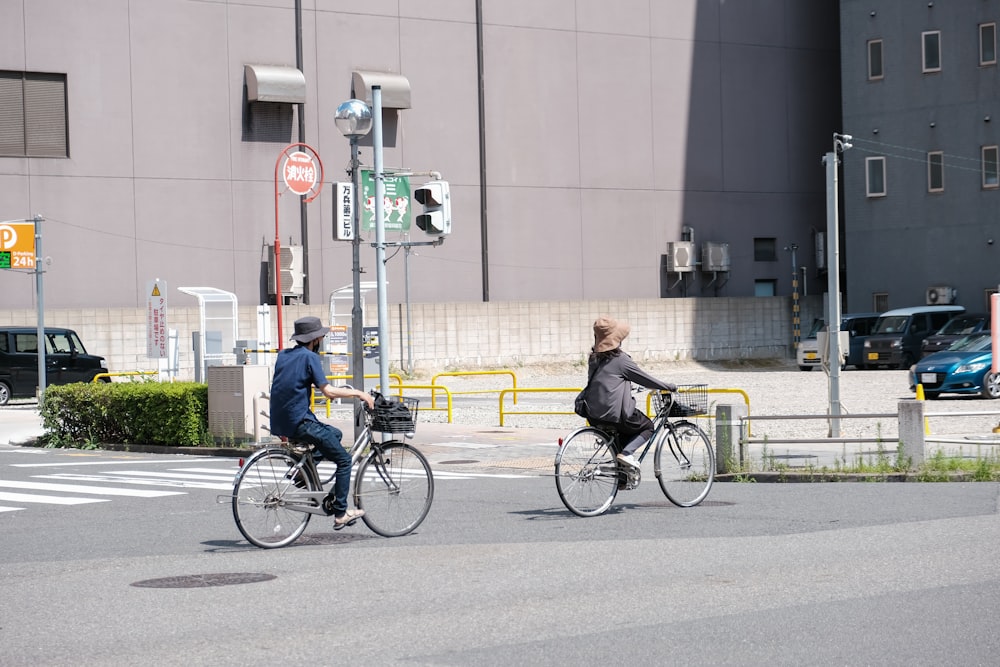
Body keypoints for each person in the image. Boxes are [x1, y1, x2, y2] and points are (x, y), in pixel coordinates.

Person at [269, 316, 375, 528]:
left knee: (334, 434)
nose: (323, 339)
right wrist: (359, 394)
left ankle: (304, 472)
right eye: (322, 337)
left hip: (281, 422)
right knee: (344, 460)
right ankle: (340, 513)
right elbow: (327, 391)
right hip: (301, 422)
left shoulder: (283, 355)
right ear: (315, 339)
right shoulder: (310, 357)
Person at [584, 315, 677, 471]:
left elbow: (606, 383)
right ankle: (627, 453)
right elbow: (644, 378)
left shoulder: (593, 359)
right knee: (647, 426)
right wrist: (667, 386)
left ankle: (621, 475)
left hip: (593, 415)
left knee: (620, 437)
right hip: (615, 415)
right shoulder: (621, 360)